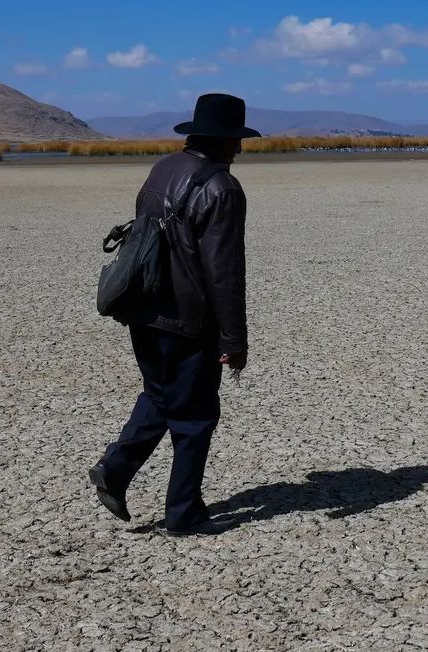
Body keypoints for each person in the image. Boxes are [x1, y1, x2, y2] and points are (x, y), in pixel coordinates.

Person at [89, 93, 256, 536]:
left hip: (144, 309)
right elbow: (223, 273)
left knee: (161, 395)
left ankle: (115, 470)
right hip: (187, 321)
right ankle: (184, 514)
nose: (238, 150)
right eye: (236, 140)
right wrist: (234, 341)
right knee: (196, 416)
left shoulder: (163, 169)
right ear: (223, 141)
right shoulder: (221, 188)